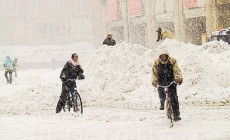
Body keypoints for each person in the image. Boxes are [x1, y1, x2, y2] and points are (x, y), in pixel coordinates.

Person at [152, 48, 182, 121]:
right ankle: (162, 102)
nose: (163, 57)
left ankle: (176, 115)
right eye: (161, 56)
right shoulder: (156, 62)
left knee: (174, 98)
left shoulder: (172, 61)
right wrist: (154, 81)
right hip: (161, 81)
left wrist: (177, 78)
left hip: (171, 81)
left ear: (167, 56)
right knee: (161, 93)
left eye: (164, 56)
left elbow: (176, 70)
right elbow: (154, 73)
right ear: (159, 56)